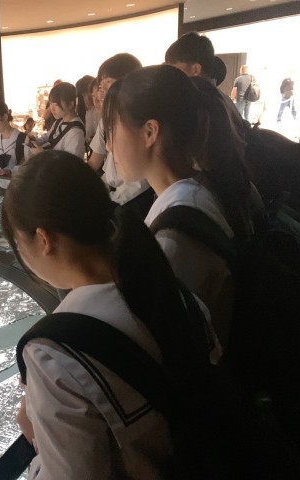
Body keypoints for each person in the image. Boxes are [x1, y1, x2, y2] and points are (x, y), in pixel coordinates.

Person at [3, 150, 218, 478]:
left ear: (44, 239)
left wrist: (38, 439)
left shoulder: (54, 355)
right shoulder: (174, 292)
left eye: (19, 243)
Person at [103, 64, 253, 346]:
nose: (109, 146)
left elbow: (162, 339)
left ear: (150, 132)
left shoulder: (177, 234)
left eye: (111, 130)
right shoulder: (193, 193)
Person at [87, 54, 153, 218]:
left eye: (108, 84)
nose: (101, 94)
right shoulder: (105, 122)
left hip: (134, 200)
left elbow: (138, 183)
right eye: (100, 87)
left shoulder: (137, 123)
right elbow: (95, 163)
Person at [26, 82, 86, 160]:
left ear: (70, 104)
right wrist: (35, 141)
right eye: (51, 104)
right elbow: (47, 136)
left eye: (56, 105)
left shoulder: (76, 132)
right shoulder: (59, 121)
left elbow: (71, 163)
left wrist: (43, 154)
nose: (52, 109)